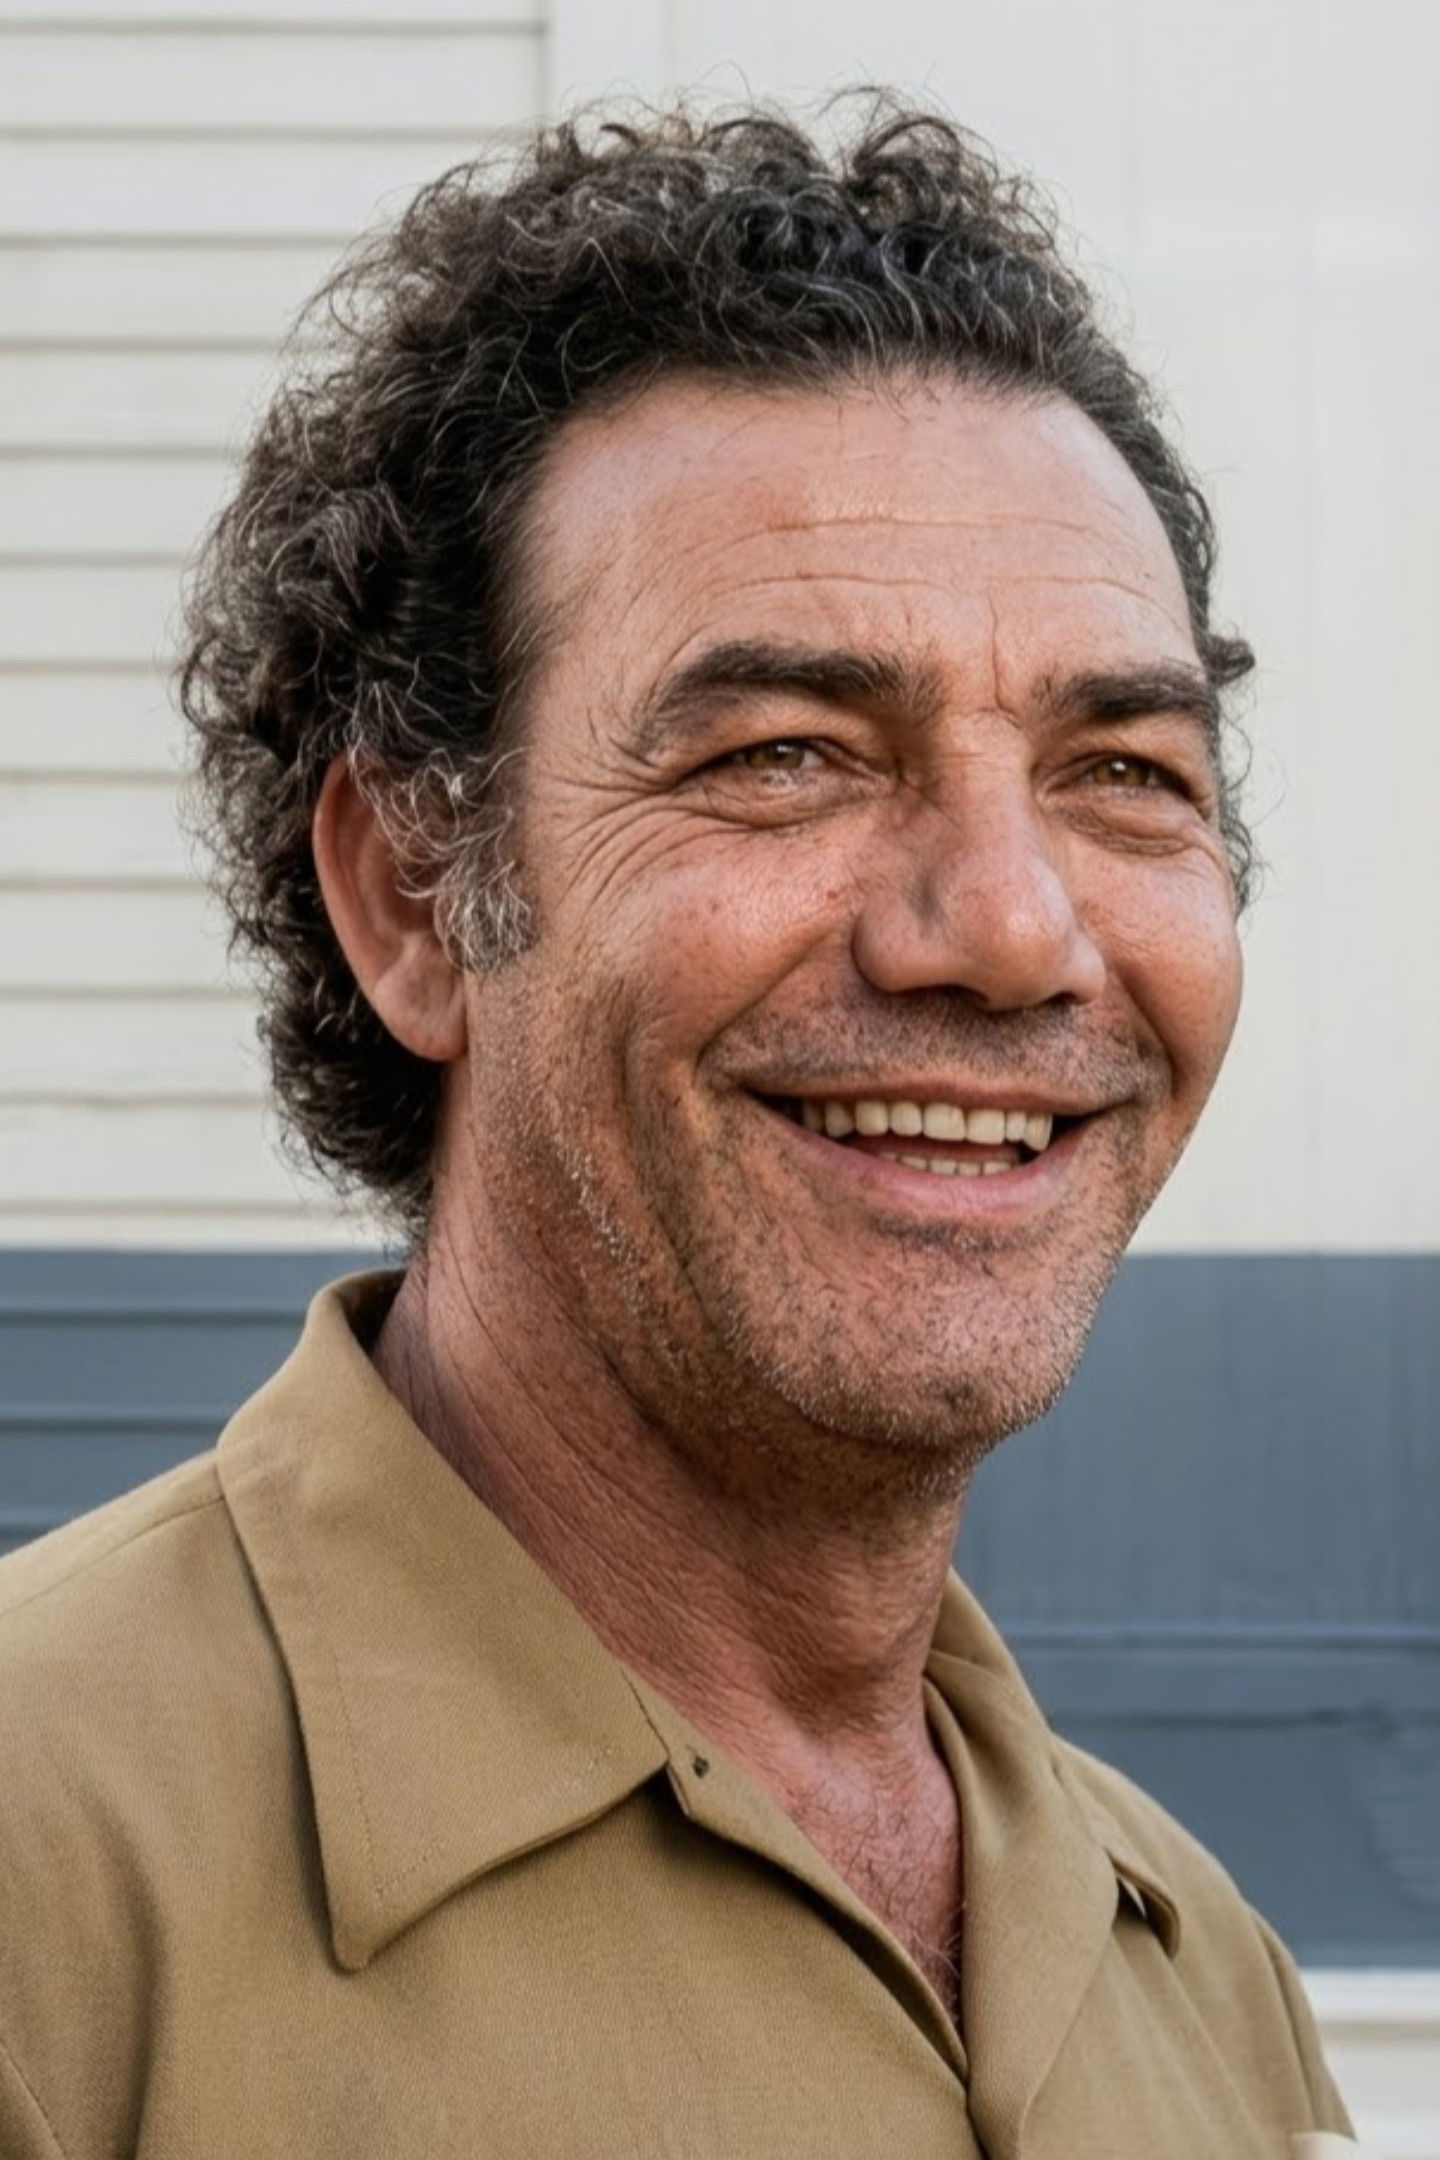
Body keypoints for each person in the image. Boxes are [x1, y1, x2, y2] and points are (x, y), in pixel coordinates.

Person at [0, 100, 1361, 2158]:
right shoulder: (48, 1904)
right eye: (789, 753)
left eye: (1125, 773)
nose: (1014, 929)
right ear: (414, 897)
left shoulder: (1204, 1977)